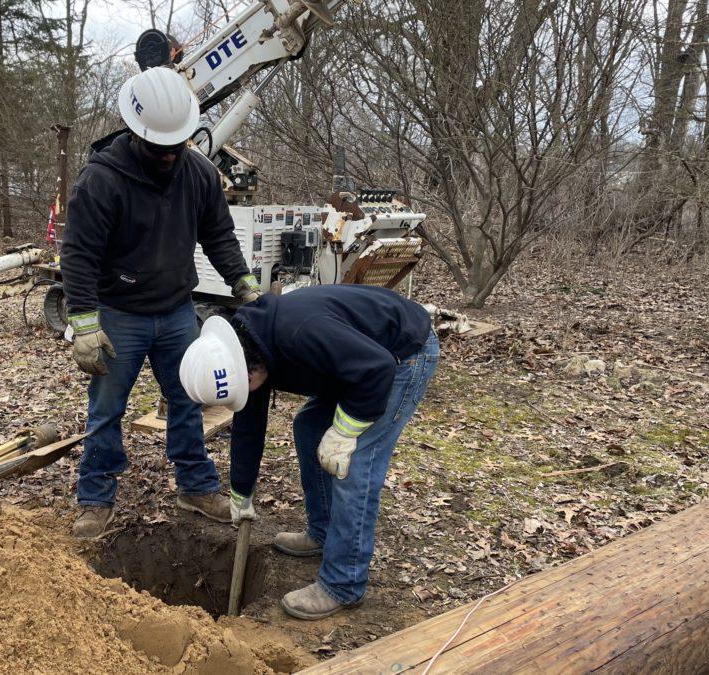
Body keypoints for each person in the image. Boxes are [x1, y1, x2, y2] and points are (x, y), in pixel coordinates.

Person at [60, 66, 262, 539]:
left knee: (189, 400)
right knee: (107, 409)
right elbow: (79, 254)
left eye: (178, 145)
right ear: (136, 133)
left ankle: (196, 487)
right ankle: (96, 496)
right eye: (160, 148)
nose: (170, 155)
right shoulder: (101, 181)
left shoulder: (199, 174)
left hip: (176, 310)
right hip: (119, 313)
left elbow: (219, 234)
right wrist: (84, 323)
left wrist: (243, 283)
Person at [178, 284, 438, 620]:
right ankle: (323, 532)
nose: (245, 396)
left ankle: (344, 583)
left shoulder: (300, 335)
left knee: (354, 463)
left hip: (399, 357)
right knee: (309, 427)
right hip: (353, 362)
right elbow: (249, 426)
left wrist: (344, 432)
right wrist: (240, 493)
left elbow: (377, 368)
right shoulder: (248, 346)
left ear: (249, 369)